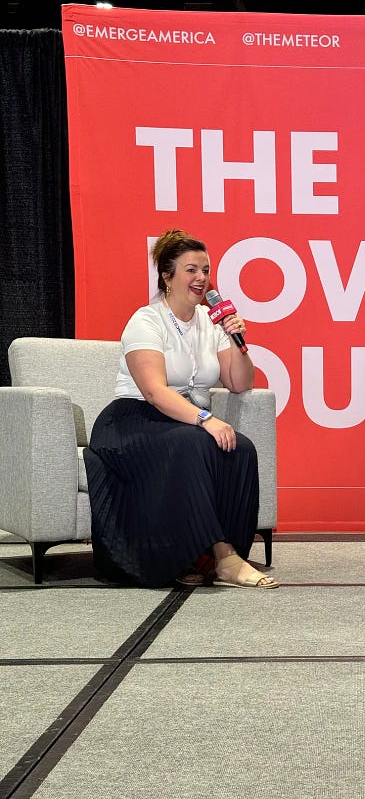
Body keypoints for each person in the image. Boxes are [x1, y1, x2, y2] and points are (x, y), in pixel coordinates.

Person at [84, 229, 279, 589]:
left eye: (205, 270)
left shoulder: (212, 322)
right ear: (167, 276)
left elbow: (239, 383)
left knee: (242, 447)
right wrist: (205, 419)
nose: (201, 278)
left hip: (183, 421)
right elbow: (155, 392)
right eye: (191, 270)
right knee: (193, 444)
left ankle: (201, 556)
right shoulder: (146, 320)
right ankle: (223, 558)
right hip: (132, 420)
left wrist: (239, 342)